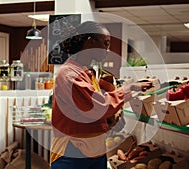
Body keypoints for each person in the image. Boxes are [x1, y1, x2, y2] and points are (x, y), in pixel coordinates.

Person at [50, 21, 152, 169]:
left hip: (94, 149)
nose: (108, 50)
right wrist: (128, 89)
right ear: (91, 42)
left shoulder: (86, 71)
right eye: (106, 43)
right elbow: (99, 107)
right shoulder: (69, 74)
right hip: (72, 151)